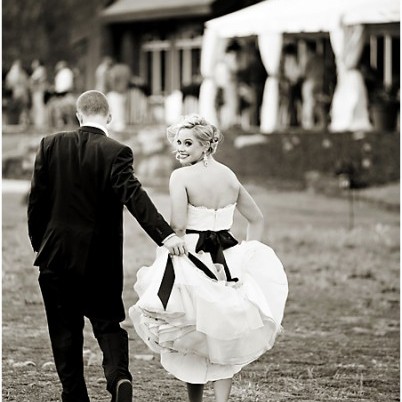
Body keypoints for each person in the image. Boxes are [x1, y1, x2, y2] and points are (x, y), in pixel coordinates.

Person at [27, 90, 187, 402]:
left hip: (55, 255)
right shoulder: (117, 151)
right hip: (99, 259)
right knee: (108, 324)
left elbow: (37, 201)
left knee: (64, 331)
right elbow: (134, 197)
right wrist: (165, 236)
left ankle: (75, 396)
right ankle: (118, 376)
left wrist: (40, 244)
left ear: (78, 115)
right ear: (109, 117)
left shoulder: (50, 145)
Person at [129, 114, 288, 402]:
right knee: (223, 334)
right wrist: (249, 253)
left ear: (206, 146)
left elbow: (178, 226)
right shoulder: (229, 176)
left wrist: (171, 247)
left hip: (191, 257)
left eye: (188, 143)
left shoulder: (180, 177)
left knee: (193, 333)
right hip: (228, 260)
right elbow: (256, 218)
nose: (180, 149)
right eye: (178, 142)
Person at [301, 42, 325, 130]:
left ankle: (308, 122)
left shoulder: (310, 59)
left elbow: (305, 73)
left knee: (308, 103)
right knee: (318, 103)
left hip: (311, 83)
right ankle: (322, 122)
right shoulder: (321, 59)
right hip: (320, 82)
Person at [30, 59, 48, 128]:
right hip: (37, 91)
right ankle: (39, 123)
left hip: (39, 91)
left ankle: (40, 123)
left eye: (34, 62)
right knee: (37, 106)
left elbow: (33, 79)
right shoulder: (39, 70)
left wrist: (30, 82)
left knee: (39, 106)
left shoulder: (40, 69)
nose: (33, 64)